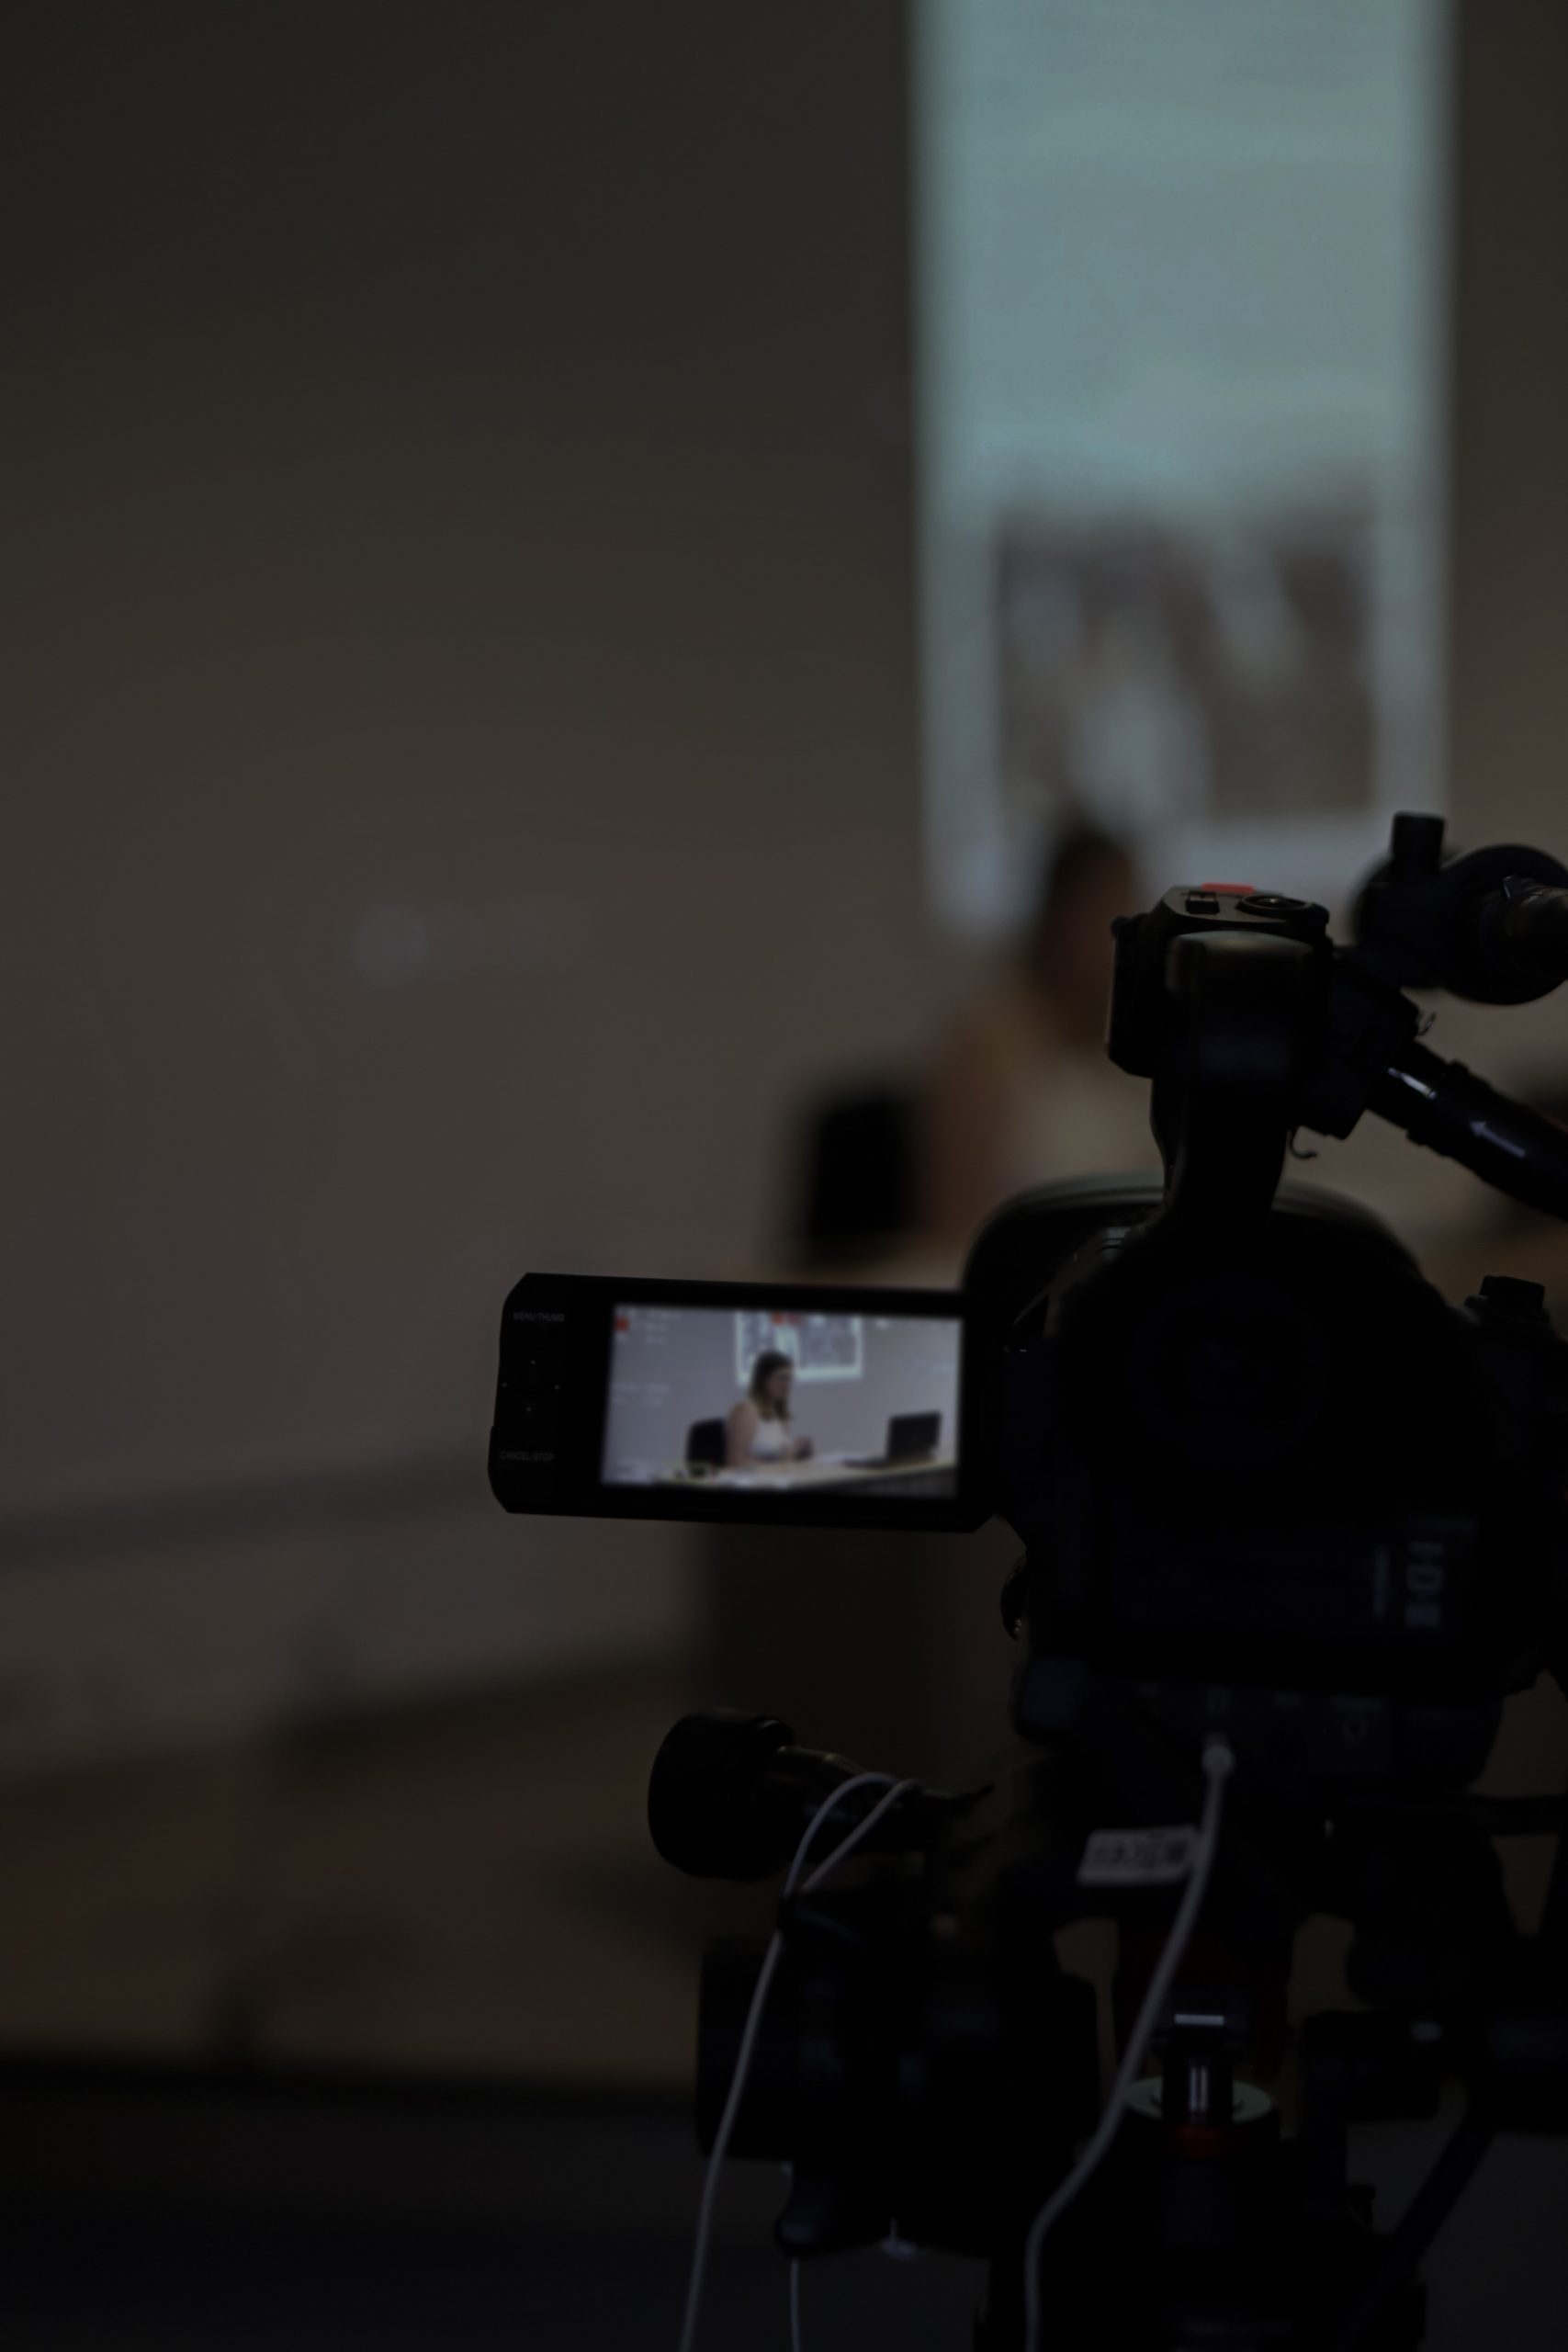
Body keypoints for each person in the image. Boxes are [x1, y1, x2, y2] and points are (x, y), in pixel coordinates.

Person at [923, 822, 1158, 1246]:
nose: (1117, 939)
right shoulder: (991, 1041)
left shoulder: (1144, 1037)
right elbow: (955, 1219)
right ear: (1059, 916)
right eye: (1101, 910)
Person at [727, 1351, 813, 1467]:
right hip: (755, 1478)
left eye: (789, 1379)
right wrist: (773, 1469)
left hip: (778, 1477)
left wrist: (796, 1452)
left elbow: (780, 1460)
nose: (787, 1384)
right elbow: (736, 1461)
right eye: (781, 1378)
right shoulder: (745, 1411)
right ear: (764, 1380)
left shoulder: (781, 1416)